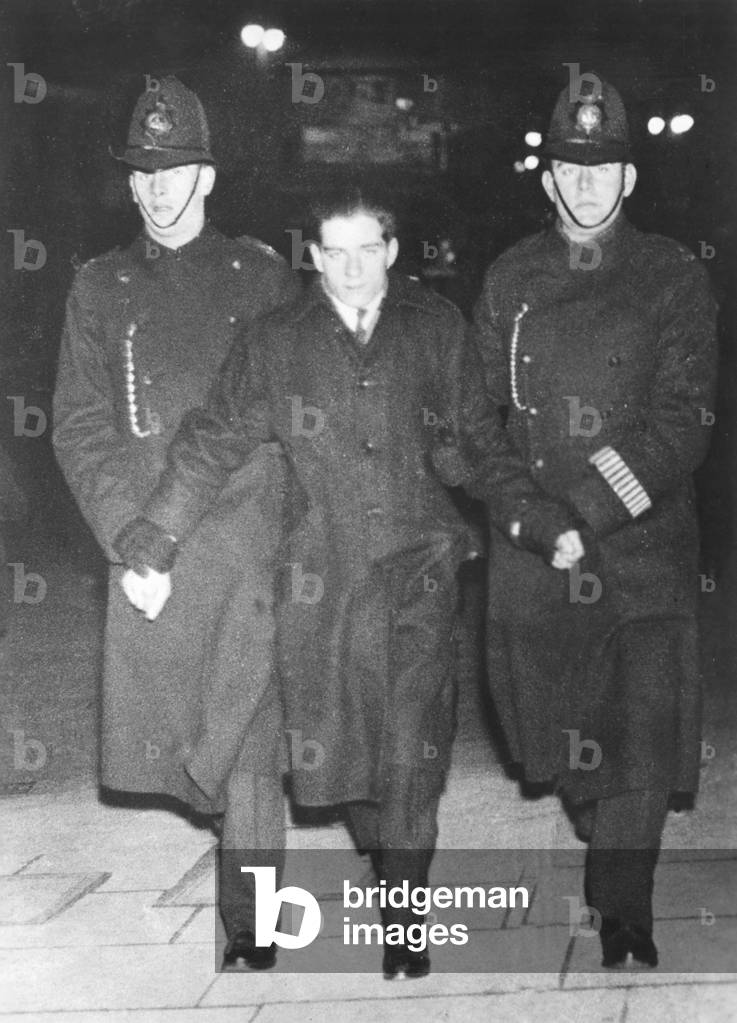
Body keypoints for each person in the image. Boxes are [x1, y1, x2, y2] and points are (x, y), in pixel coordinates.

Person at [111, 186, 503, 978]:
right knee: (351, 762)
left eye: (369, 251)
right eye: (336, 253)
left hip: (419, 578)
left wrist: (526, 515)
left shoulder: (436, 329)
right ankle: (382, 849)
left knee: (409, 755)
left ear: (391, 252)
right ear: (315, 259)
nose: (353, 270)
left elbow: (478, 445)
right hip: (323, 586)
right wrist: (153, 541)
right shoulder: (276, 340)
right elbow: (212, 442)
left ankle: (404, 919)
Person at [52, 75, 299, 970]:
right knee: (189, 743)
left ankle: (255, 925)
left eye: (177, 168)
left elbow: (285, 416)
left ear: (209, 175)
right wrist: (129, 537)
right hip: (148, 556)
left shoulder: (263, 277)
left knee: (251, 744)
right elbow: (80, 426)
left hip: (246, 543)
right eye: (144, 172)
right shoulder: (98, 286)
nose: (159, 188)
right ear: (128, 183)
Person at [472, 71, 717, 968]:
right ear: (547, 179)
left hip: (643, 548)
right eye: (570, 167)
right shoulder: (511, 280)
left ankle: (624, 910)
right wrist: (534, 517)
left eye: (602, 165)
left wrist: (589, 508)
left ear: (629, 178)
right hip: (540, 557)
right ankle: (602, 837)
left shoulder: (669, 275)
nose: (584, 183)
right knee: (568, 744)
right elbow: (480, 421)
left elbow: (682, 418)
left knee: (642, 736)